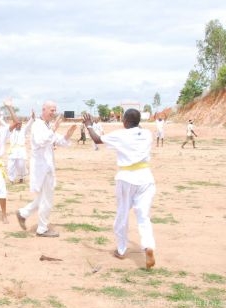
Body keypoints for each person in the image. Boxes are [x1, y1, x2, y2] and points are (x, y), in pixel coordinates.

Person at [83, 110, 156, 269]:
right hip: (145, 177)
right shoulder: (147, 134)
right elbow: (137, 127)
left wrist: (89, 126)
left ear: (125, 121)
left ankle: (121, 250)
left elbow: (97, 139)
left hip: (127, 178)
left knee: (122, 214)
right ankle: (148, 246)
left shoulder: (120, 135)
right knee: (143, 216)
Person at [16, 102, 76, 237]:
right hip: (41, 168)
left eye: (55, 110)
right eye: (51, 110)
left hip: (47, 167)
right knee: (47, 199)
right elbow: (41, 141)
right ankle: (42, 229)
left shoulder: (47, 125)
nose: (53, 112)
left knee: (43, 198)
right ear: (43, 110)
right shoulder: (38, 124)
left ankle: (23, 213)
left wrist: (67, 135)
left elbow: (58, 141)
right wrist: (54, 128)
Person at [7, 110, 35, 183]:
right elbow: (3, 124)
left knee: (21, 165)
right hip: (12, 151)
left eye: (20, 124)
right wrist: (0, 118)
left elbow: (29, 123)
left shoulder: (24, 130)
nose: (19, 125)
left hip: (21, 150)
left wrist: (32, 116)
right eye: (18, 124)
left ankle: (21, 177)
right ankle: (11, 179)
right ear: (15, 124)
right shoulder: (11, 130)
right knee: (10, 165)